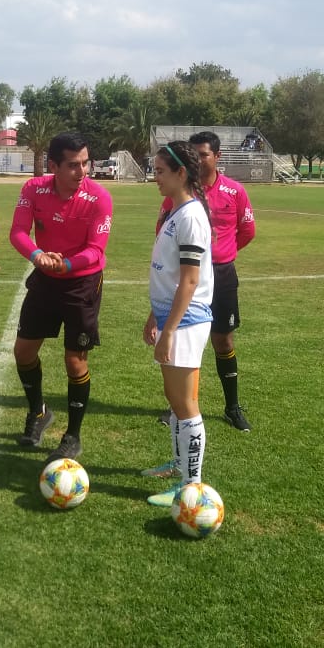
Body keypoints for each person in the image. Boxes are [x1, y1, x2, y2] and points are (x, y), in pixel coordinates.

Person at [9, 132, 113, 462]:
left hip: (82, 282)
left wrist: (65, 263)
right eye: (73, 165)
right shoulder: (33, 189)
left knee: (75, 360)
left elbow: (96, 251)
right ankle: (39, 412)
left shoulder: (99, 198)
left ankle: (72, 435)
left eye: (85, 163)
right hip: (45, 278)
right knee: (23, 352)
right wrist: (38, 256)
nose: (82, 171)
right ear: (53, 165)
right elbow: (18, 232)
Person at [157, 130, 256, 431]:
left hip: (220, 274)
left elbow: (247, 230)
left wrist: (222, 254)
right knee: (186, 343)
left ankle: (232, 406)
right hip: (187, 280)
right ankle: (180, 407)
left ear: (217, 156)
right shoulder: (181, 194)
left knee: (222, 339)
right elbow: (164, 231)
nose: (199, 160)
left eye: (204, 154)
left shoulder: (234, 191)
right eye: (195, 154)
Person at [141, 141, 215, 506]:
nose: (154, 177)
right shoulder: (177, 211)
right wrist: (154, 315)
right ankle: (177, 465)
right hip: (173, 317)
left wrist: (169, 329)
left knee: (185, 403)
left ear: (180, 174)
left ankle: (191, 485)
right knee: (174, 399)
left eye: (159, 171)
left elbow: (189, 280)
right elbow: (168, 275)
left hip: (186, 322)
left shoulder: (190, 216)